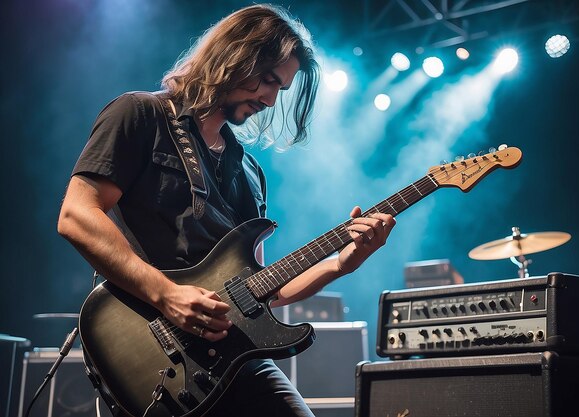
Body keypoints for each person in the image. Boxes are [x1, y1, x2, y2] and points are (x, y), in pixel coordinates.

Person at [58, 4, 396, 416]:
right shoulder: (140, 114)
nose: (270, 99)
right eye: (268, 80)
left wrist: (342, 264)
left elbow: (265, 291)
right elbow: (77, 215)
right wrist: (168, 296)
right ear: (235, 57)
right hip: (151, 349)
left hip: (235, 357)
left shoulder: (250, 172)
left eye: (280, 89)